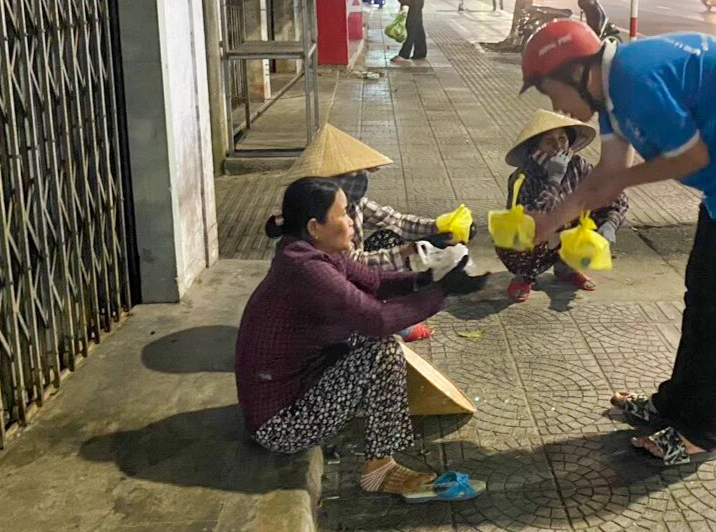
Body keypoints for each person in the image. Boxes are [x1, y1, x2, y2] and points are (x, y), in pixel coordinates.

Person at [519, 21, 716, 467]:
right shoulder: (613, 97)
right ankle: (673, 405)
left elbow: (690, 157)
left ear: (575, 73)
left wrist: (623, 180)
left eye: (551, 93)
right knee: (701, 293)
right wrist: (550, 223)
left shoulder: (634, 80)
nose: (556, 106)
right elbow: (604, 177)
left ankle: (699, 430)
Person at [236, 177, 487, 501]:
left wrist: (430, 277)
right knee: (380, 352)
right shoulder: (304, 268)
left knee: (364, 339)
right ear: (315, 226)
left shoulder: (317, 251)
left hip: (301, 384)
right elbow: (377, 319)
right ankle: (380, 470)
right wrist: (442, 291)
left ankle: (378, 450)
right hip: (280, 425)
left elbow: (376, 282)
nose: (352, 221)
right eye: (343, 213)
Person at [296, 124, 471, 343]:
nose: (360, 178)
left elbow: (394, 221)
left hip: (347, 272)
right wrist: (433, 282)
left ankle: (395, 318)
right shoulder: (311, 255)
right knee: (385, 350)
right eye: (352, 174)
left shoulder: (349, 204)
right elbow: (353, 268)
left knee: (388, 238)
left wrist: (439, 227)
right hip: (312, 348)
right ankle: (393, 323)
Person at [496, 110, 629, 303]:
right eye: (550, 141)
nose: (558, 146)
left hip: (564, 232)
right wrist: (554, 177)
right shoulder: (523, 177)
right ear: (535, 148)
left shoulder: (578, 165)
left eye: (562, 139)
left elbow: (614, 195)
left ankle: (566, 267)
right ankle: (524, 277)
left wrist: (609, 225)